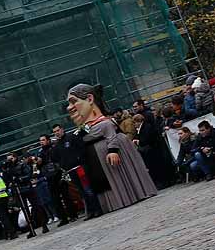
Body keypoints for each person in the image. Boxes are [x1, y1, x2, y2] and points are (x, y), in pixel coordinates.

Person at [66, 84, 157, 213]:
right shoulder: (85, 127)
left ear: (90, 99)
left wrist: (112, 150)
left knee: (115, 176)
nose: (70, 108)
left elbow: (111, 136)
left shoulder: (105, 122)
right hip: (95, 157)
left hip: (106, 153)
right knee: (104, 180)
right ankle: (111, 203)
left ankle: (127, 196)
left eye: (73, 102)